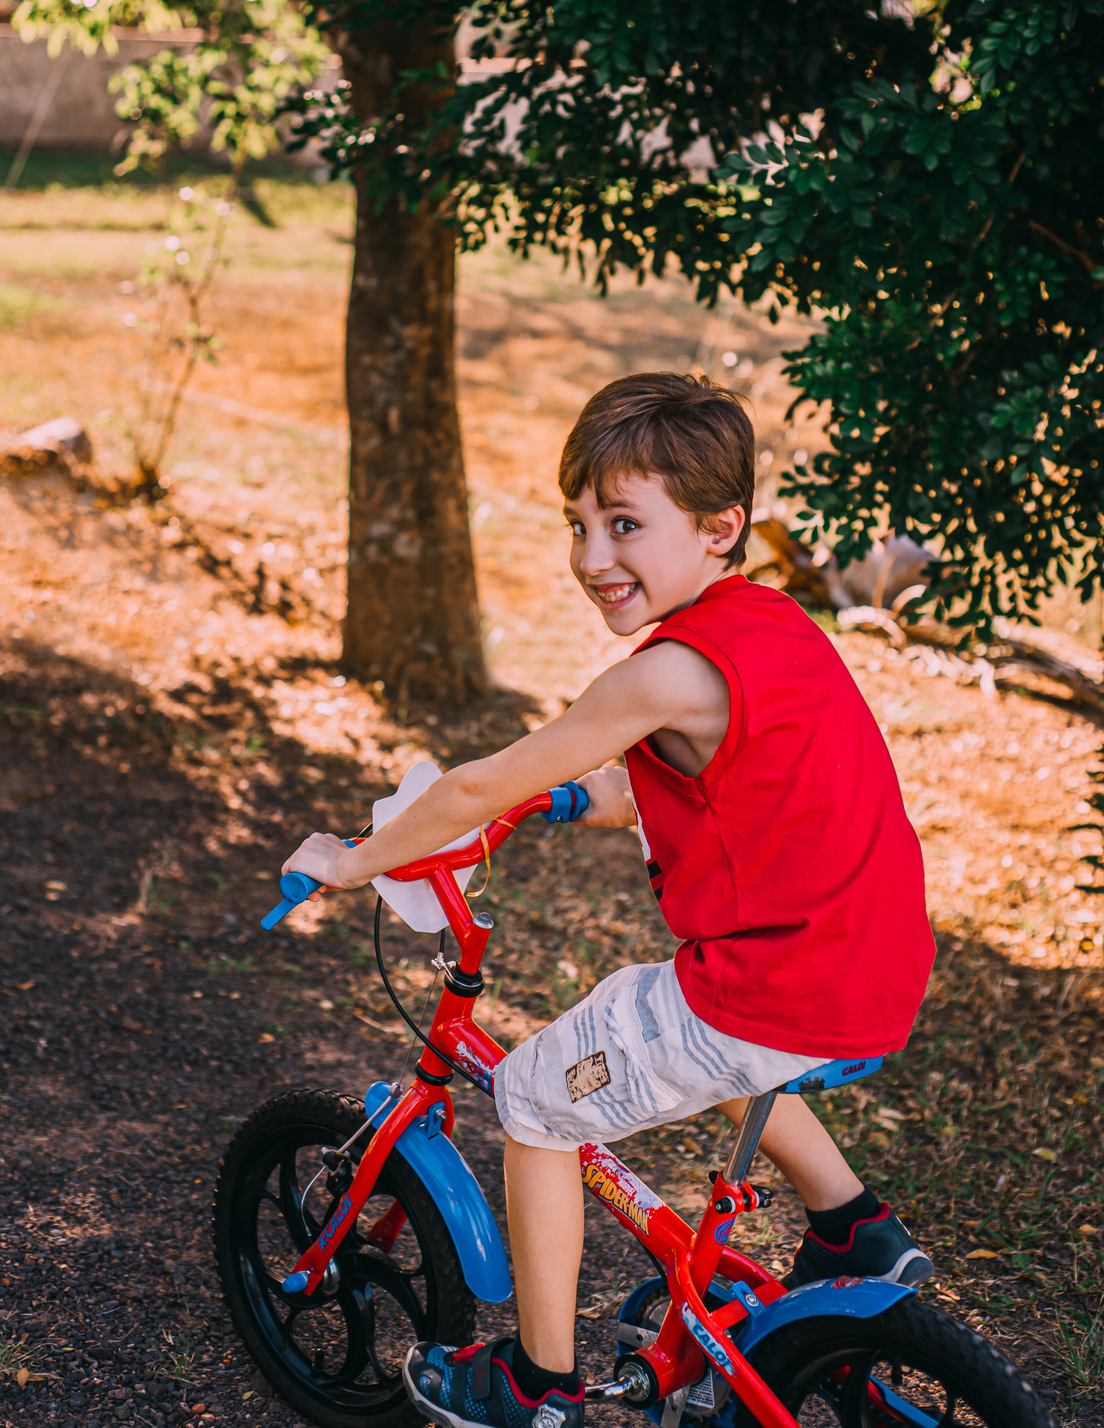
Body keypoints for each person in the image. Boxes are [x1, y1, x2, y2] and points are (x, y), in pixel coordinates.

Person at [282, 371, 936, 1428]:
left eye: (625, 524)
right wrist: (583, 793)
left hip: (773, 986)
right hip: (868, 962)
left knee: (536, 1097)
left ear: (722, 527)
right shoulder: (770, 623)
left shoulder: (660, 673)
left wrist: (356, 857)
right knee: (669, 1006)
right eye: (578, 523)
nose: (593, 557)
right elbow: (710, 773)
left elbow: (475, 786)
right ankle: (853, 1219)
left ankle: (534, 1387)